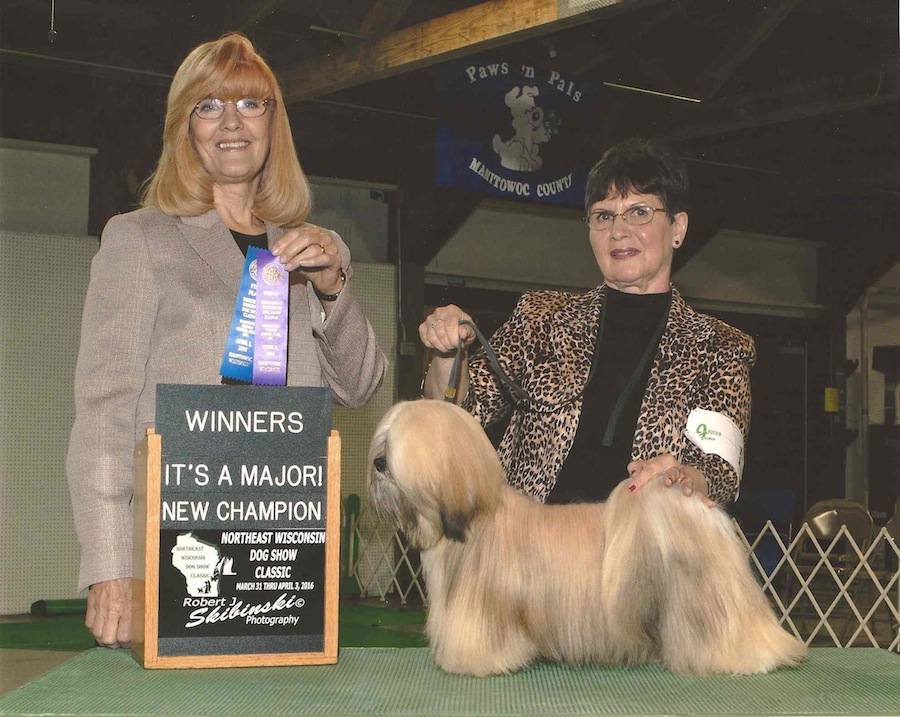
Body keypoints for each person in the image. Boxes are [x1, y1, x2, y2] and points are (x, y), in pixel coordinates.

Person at [67, 33, 388, 648]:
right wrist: (110, 567)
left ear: (274, 123)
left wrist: (331, 284)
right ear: (184, 128)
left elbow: (361, 384)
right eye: (209, 106)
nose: (231, 123)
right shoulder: (138, 240)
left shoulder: (317, 249)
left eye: (250, 104)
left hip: (284, 551)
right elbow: (103, 416)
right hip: (175, 548)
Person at [421, 137, 754, 510]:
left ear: (678, 228)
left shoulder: (719, 347)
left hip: (643, 554)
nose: (619, 230)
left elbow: (720, 470)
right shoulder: (540, 318)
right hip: (532, 549)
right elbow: (462, 412)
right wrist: (448, 354)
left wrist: (685, 478)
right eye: (603, 216)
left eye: (640, 212)